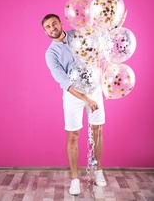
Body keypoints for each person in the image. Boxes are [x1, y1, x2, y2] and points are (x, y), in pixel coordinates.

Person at [42, 13, 107, 195]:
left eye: (54, 23)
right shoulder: (51, 54)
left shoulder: (78, 34)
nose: (52, 28)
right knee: (73, 135)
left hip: (93, 89)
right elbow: (64, 82)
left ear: (61, 23)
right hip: (73, 95)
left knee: (97, 130)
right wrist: (86, 99)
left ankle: (99, 170)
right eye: (48, 27)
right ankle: (75, 178)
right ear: (45, 32)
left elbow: (99, 44)